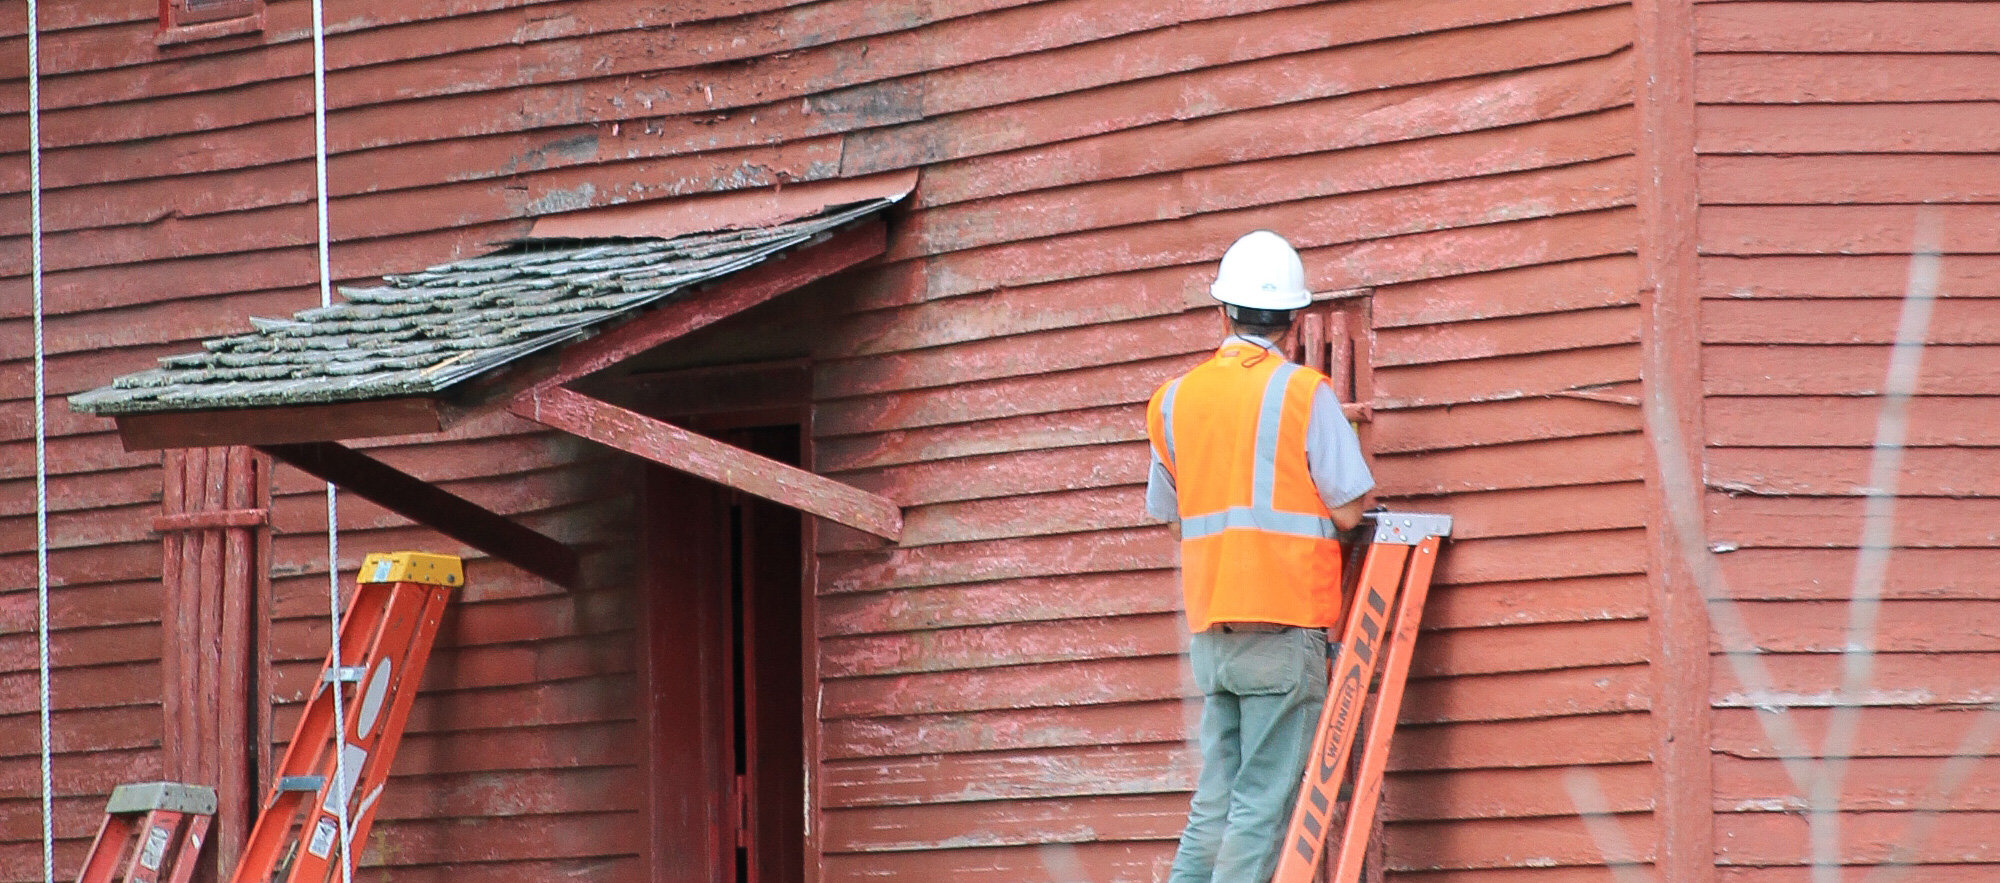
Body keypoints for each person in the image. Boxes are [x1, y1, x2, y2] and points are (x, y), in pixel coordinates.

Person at [1145, 229, 1374, 883]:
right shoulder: (1305, 393)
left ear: (1223, 313)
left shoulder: (1174, 401)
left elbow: (1173, 519)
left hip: (1214, 637)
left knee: (1213, 809)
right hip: (1283, 631)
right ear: (1295, 320)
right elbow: (1351, 508)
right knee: (1260, 811)